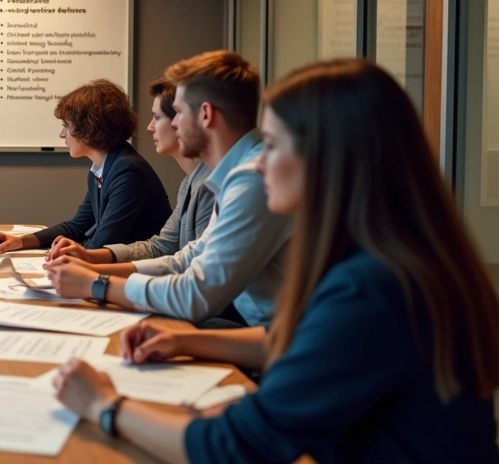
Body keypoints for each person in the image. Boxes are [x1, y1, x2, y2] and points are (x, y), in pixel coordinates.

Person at [52, 59, 499, 463]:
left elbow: (237, 447)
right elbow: (301, 339)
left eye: (274, 145)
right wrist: (186, 343)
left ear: (327, 162)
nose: (259, 164)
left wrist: (103, 405)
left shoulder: (371, 288)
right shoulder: (387, 257)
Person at [45, 52, 289, 327]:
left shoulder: (252, 179)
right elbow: (184, 258)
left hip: (267, 339)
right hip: (256, 330)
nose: (171, 123)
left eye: (179, 112)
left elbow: (196, 296)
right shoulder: (233, 175)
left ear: (206, 114)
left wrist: (97, 284)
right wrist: (92, 269)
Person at [0, 79, 170, 255]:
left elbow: (102, 244)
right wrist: (20, 241)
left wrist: (72, 252)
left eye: (67, 125)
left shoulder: (128, 171)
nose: (62, 134)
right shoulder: (104, 167)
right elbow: (77, 226)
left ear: (90, 128)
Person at [48, 77, 215, 264]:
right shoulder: (189, 183)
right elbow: (161, 247)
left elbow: (195, 273)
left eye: (157, 117)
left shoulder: (210, 186)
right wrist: (88, 256)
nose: (149, 127)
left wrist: (97, 280)